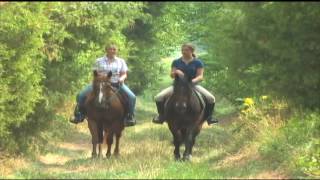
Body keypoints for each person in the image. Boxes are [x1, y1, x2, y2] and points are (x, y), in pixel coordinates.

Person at [69, 43, 136, 127]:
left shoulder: (120, 61)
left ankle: (130, 116)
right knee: (81, 95)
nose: (112, 51)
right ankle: (79, 115)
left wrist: (121, 79)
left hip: (116, 83)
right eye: (110, 49)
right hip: (100, 83)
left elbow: (124, 73)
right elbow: (95, 73)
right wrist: (100, 78)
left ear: (117, 51)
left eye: (114, 49)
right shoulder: (99, 61)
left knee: (132, 97)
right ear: (106, 50)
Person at [152, 43, 218, 125]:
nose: (183, 52)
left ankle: (209, 117)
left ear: (191, 51)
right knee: (159, 97)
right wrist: (176, 71)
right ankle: (161, 116)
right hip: (178, 86)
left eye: (186, 50)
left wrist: (192, 82)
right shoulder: (176, 62)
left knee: (211, 98)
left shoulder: (198, 63)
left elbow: (200, 76)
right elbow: (172, 75)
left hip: (193, 85)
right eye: (182, 50)